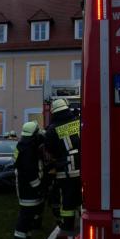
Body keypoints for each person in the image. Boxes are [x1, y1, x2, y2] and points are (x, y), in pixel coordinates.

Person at [44, 98, 81, 232]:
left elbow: (50, 150)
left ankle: (68, 226)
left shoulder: (52, 130)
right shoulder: (78, 122)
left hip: (66, 171)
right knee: (84, 198)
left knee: (67, 200)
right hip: (83, 169)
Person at [12, 121, 45, 239]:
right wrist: (38, 187)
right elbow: (30, 172)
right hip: (28, 189)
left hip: (27, 187)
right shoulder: (27, 150)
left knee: (29, 216)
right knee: (25, 216)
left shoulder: (24, 145)